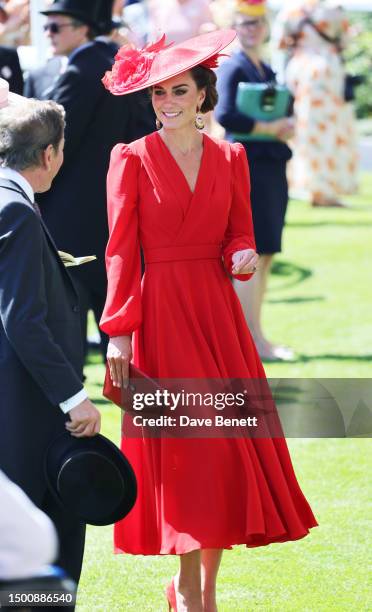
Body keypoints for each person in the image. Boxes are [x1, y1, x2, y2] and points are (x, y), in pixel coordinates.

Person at [99, 29, 318, 611]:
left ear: (203, 96)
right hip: (162, 317)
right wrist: (118, 332)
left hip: (219, 317)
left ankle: (199, 589)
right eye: (156, 95)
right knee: (185, 452)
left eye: (178, 91)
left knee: (220, 450)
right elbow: (119, 251)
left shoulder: (232, 157)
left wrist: (241, 256)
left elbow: (238, 234)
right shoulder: (131, 159)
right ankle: (192, 591)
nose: (165, 103)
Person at [0, 88, 101, 597]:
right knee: (43, 546)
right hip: (27, 405)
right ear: (50, 154)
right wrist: (74, 396)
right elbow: (23, 320)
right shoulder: (15, 210)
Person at [30, 0, 154, 362]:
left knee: (68, 331)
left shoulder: (81, 68)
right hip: (116, 214)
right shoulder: (118, 62)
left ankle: (73, 409)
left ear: (84, 28)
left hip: (72, 218)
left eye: (56, 26)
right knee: (119, 331)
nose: (48, 34)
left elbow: (46, 140)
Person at [214, 0, 294, 361]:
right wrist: (268, 127)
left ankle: (257, 336)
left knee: (267, 254)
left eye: (257, 24)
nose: (251, 29)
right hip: (250, 169)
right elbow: (227, 113)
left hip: (270, 166)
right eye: (244, 23)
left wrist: (286, 125)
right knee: (253, 254)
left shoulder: (265, 65)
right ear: (234, 26)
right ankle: (251, 341)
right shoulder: (233, 66)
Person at [274, 0, 358, 207]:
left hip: (299, 70)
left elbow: (280, 44)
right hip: (327, 71)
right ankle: (324, 190)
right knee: (329, 132)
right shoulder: (334, 10)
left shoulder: (290, 11)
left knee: (303, 130)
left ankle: (307, 185)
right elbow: (345, 41)